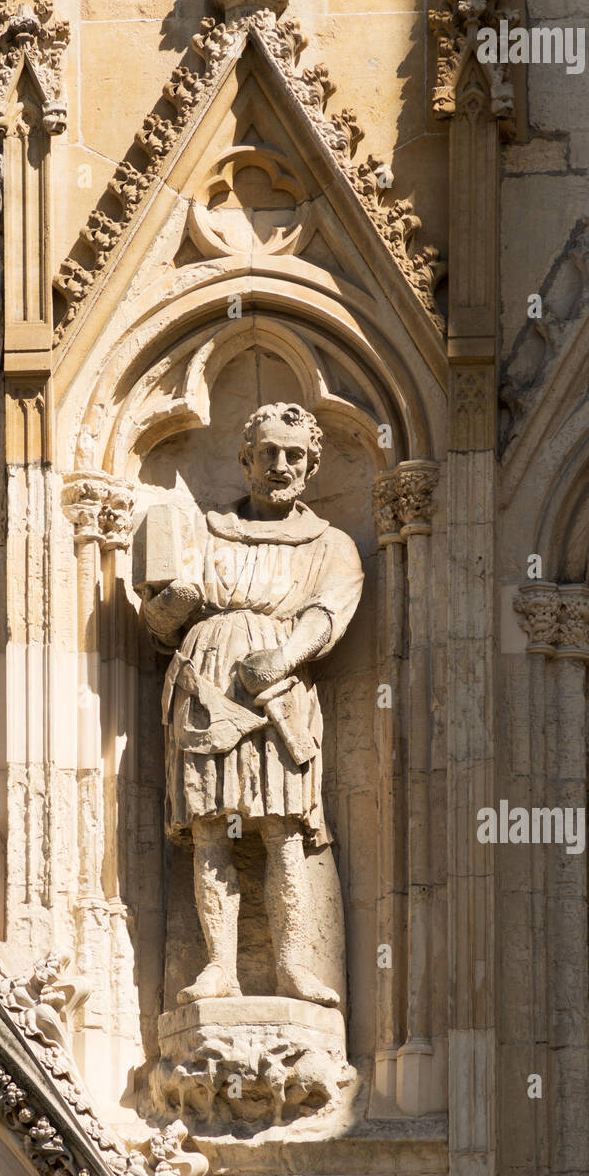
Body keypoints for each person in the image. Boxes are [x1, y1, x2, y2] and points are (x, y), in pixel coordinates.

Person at [143, 402, 364, 1007]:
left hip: (277, 691)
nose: (280, 464)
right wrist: (174, 604)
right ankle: (219, 968)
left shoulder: (332, 545)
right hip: (207, 684)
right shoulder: (201, 532)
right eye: (266, 452)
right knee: (212, 825)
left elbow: (328, 613)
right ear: (245, 460)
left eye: (294, 455)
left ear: (312, 465)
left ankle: (292, 965)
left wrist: (285, 655)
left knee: (281, 827)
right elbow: (158, 628)